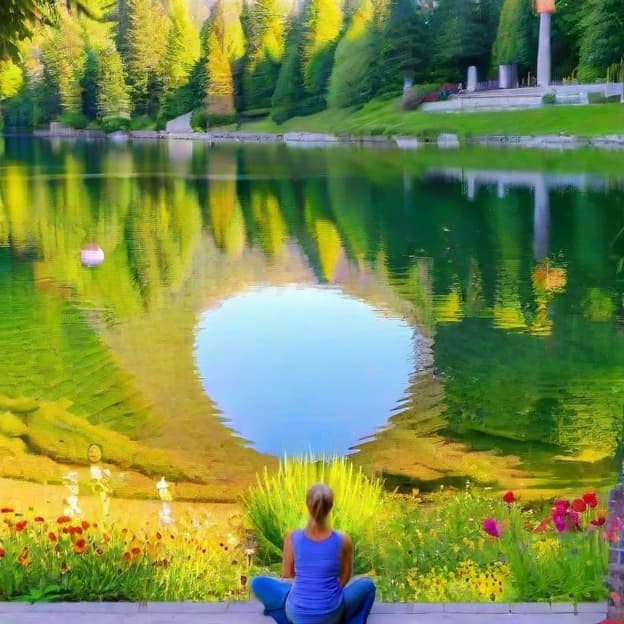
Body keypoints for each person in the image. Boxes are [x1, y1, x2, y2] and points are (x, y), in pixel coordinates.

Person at [251, 483, 376, 624]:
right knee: (368, 586)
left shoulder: (292, 538)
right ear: (331, 506)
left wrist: (308, 586)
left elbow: (287, 574)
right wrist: (324, 590)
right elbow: (346, 576)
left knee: (257, 582)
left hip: (296, 614)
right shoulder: (343, 539)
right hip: (331, 614)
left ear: (307, 505)